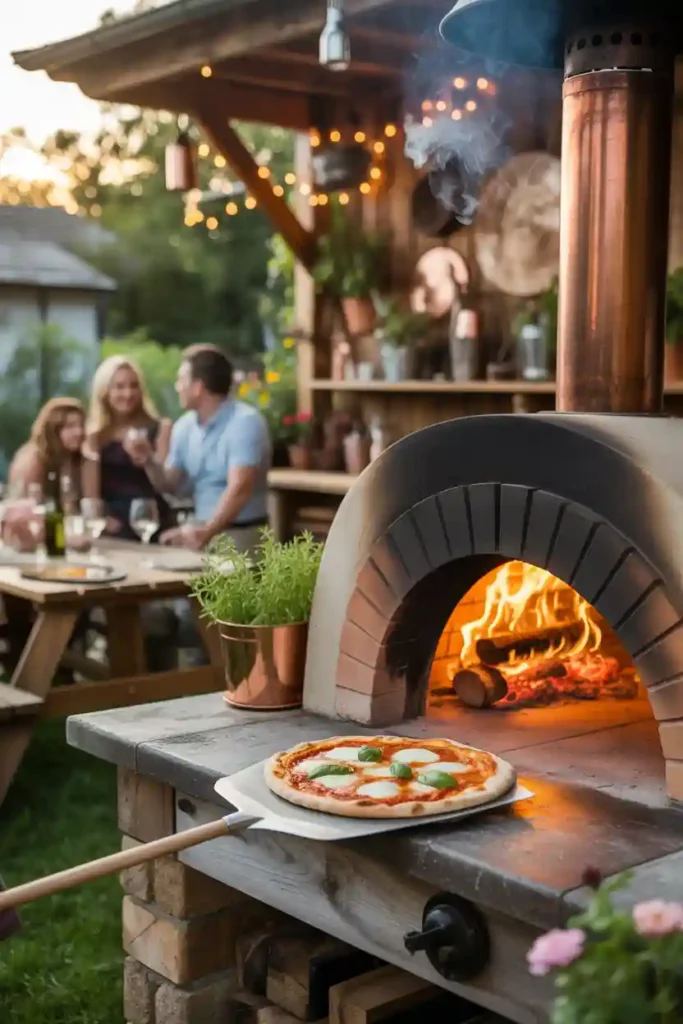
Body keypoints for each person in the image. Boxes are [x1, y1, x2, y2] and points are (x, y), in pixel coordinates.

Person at [126, 347, 271, 553]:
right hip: (199, 532)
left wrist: (206, 532)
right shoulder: (184, 426)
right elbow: (171, 485)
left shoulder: (245, 422)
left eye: (181, 380)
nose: (177, 387)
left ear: (197, 387)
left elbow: (240, 489)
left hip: (241, 534)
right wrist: (149, 459)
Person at [83, 356, 173, 540]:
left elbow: (164, 485)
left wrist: (148, 459)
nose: (128, 393)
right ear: (105, 391)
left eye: (134, 386)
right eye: (119, 387)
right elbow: (91, 494)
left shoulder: (161, 428)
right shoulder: (94, 436)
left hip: (151, 520)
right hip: (113, 525)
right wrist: (102, 519)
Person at [9, 397, 85, 499]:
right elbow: (24, 505)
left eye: (81, 425)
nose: (79, 432)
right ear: (52, 429)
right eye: (70, 426)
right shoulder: (32, 460)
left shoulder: (73, 458)